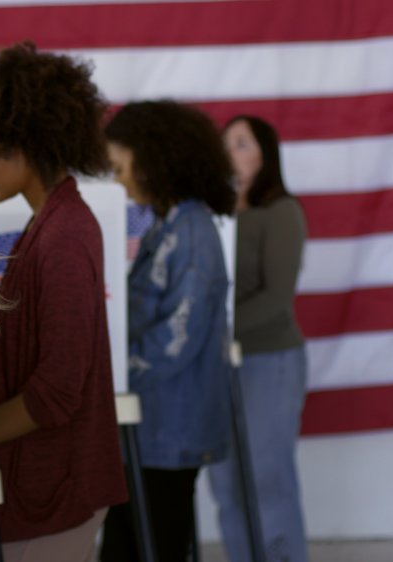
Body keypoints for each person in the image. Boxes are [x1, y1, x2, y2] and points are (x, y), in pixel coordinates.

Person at [0, 42, 128, 562]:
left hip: (57, 486)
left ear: (27, 142)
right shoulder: (51, 226)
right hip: (45, 481)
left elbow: (59, 389)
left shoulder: (64, 234)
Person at [100, 100, 235, 562]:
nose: (117, 179)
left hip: (171, 426)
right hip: (151, 423)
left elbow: (179, 336)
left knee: (151, 542)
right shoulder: (168, 225)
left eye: (120, 167)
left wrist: (113, 374)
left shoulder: (192, 231)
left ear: (154, 159)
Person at [207, 115, 310, 562]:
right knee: (226, 481)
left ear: (265, 154)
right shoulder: (213, 213)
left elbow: (277, 298)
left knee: (268, 477)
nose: (232, 151)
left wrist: (212, 332)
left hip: (268, 360)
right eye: (226, 143)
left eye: (243, 143)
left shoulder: (281, 212)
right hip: (218, 364)